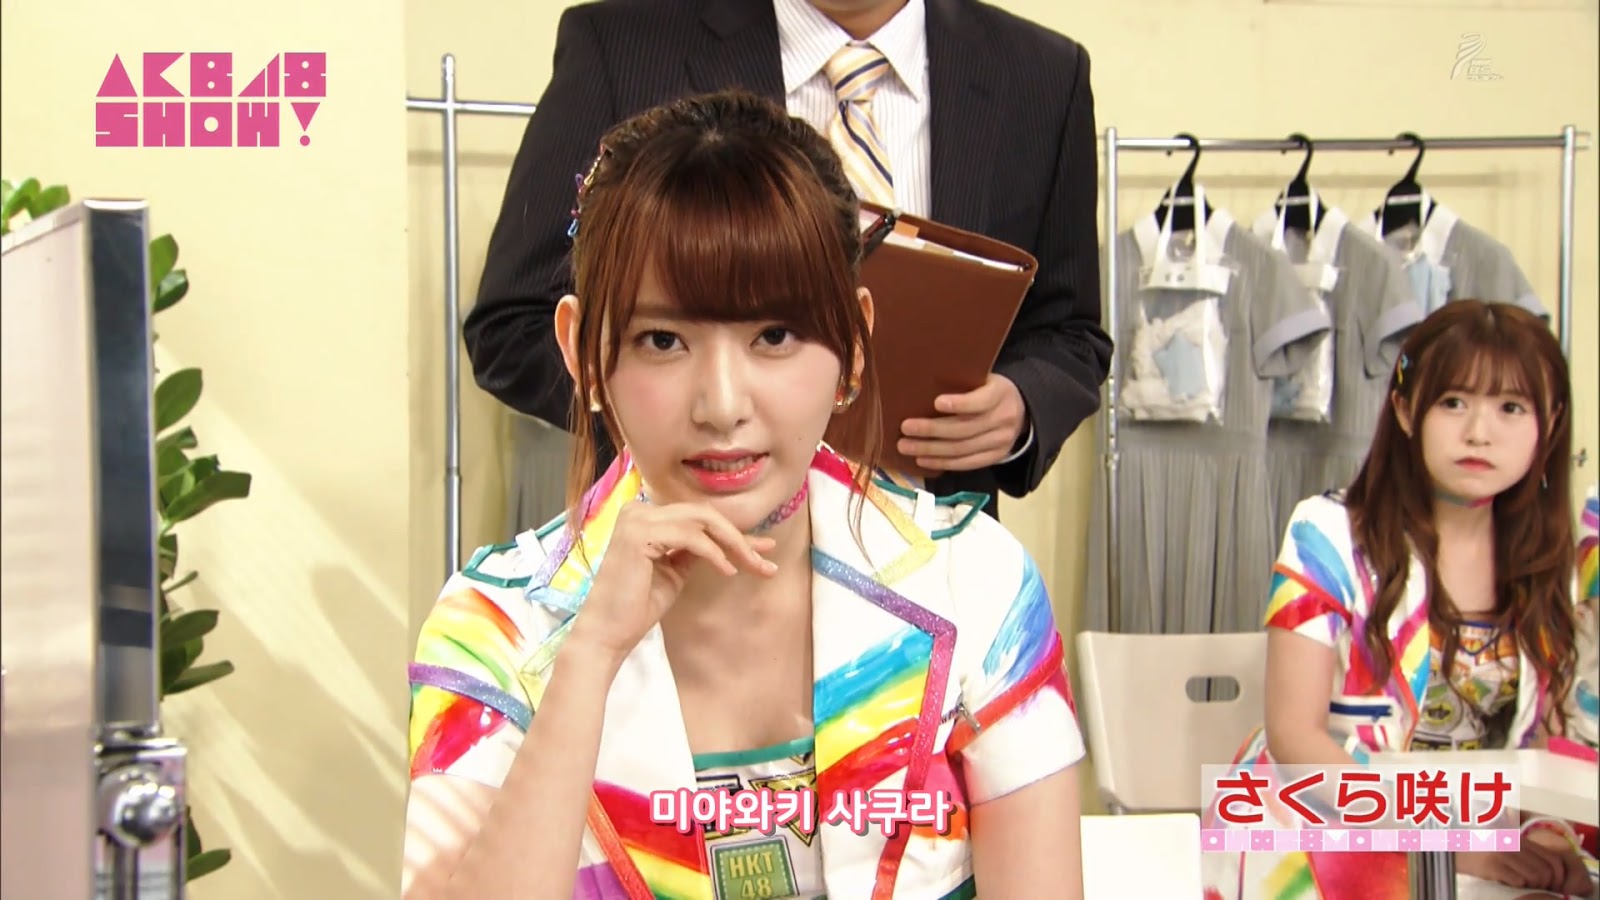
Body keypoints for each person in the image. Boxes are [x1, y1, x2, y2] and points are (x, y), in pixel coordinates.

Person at [403, 91, 1086, 900]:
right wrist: (586, 659)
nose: (722, 406)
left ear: (854, 343)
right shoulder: (494, 625)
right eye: (663, 340)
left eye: (774, 336)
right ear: (582, 353)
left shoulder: (976, 584)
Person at [465, 0, 1110, 522]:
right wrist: (669, 422)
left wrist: (1023, 406)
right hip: (676, 543)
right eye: (664, 338)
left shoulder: (1041, 76)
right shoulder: (623, 48)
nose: (726, 402)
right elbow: (513, 322)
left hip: (931, 545)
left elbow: (1070, 329)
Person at [1201, 301, 1595, 899]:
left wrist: (1540, 834)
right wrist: (1445, 845)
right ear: (1406, 410)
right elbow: (1295, 740)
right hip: (1320, 821)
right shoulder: (1327, 533)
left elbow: (1536, 746)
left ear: (1551, 422)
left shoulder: (1548, 558)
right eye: (1453, 402)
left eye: (1511, 408)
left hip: (1474, 834)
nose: (1479, 432)